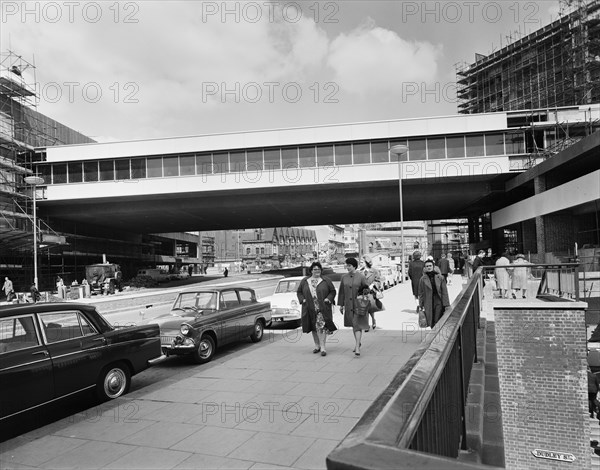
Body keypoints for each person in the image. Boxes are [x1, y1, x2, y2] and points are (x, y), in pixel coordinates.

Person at [297, 261, 337, 356]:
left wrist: (329, 298)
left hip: (322, 308)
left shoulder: (326, 280)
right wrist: (302, 300)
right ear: (311, 270)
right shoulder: (305, 281)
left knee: (321, 327)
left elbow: (333, 291)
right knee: (313, 327)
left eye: (319, 269)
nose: (317, 271)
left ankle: (323, 347)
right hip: (309, 307)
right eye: (315, 269)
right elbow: (299, 292)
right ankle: (317, 345)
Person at [338, 257, 369, 357]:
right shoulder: (344, 277)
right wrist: (341, 305)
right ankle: (358, 342)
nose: (347, 267)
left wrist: (363, 293)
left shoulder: (361, 276)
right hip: (348, 305)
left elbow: (367, 288)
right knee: (354, 325)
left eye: (349, 265)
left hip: (359, 305)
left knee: (357, 324)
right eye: (346, 265)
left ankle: (357, 346)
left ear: (354, 266)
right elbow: (341, 292)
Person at [418, 259, 450, 329]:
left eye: (430, 266)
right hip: (428, 302)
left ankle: (436, 333)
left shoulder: (440, 277)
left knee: (437, 318)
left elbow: (444, 292)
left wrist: (446, 304)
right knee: (431, 319)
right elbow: (421, 293)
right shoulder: (422, 279)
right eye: (427, 266)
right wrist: (420, 304)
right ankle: (434, 333)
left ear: (433, 266)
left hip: (438, 300)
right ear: (425, 268)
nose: (429, 267)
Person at [359, 255, 382, 330]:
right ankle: (366, 325)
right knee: (364, 309)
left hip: (371, 292)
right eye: (360, 262)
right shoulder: (359, 271)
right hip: (361, 293)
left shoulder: (374, 271)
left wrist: (373, 285)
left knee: (371, 309)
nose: (360, 263)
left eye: (362, 262)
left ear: (366, 262)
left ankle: (373, 320)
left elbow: (378, 281)